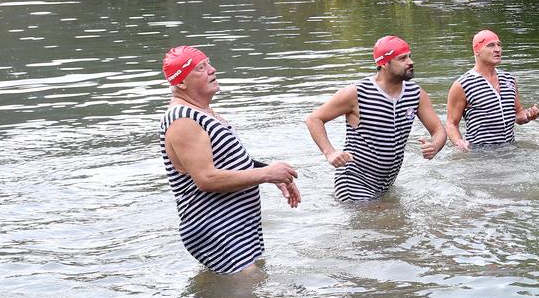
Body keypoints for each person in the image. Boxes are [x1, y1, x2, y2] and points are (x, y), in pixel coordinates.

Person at [158, 45, 300, 274]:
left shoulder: (203, 113)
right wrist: (265, 174)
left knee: (246, 293)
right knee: (246, 291)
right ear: (182, 83)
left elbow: (229, 160)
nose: (212, 70)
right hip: (215, 226)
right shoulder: (183, 119)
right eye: (200, 68)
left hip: (235, 224)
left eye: (208, 63)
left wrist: (271, 174)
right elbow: (205, 178)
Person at [304, 35, 448, 201]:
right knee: (386, 224)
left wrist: (434, 146)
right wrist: (330, 152)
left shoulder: (416, 94)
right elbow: (314, 119)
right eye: (402, 58)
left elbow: (438, 130)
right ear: (384, 64)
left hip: (385, 185)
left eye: (409, 56)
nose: (410, 62)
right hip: (354, 182)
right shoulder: (357, 93)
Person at [447, 29, 539, 151]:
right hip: (480, 154)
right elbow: (451, 123)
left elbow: (518, 114)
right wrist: (459, 142)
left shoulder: (509, 79)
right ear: (477, 50)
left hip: (510, 150)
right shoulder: (462, 85)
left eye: (499, 45)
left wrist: (529, 115)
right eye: (491, 45)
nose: (497, 49)